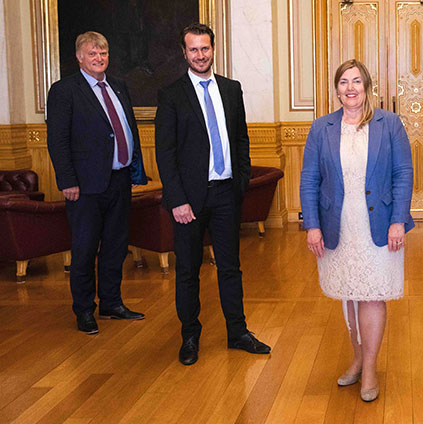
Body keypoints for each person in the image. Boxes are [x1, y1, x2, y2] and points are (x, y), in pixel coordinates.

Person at [155, 23, 270, 366]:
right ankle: (189, 336)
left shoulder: (231, 89)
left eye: (205, 48)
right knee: (188, 270)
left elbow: (241, 139)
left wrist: (242, 181)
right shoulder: (172, 94)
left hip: (225, 195)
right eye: (193, 50)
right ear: (184, 52)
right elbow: (166, 152)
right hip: (188, 201)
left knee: (230, 267)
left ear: (213, 49)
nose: (200, 55)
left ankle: (238, 332)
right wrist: (177, 200)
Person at [300, 59, 414, 402]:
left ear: (367, 87)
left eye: (356, 82)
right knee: (349, 293)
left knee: (372, 293)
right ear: (336, 89)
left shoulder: (389, 124)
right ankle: (357, 358)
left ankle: (370, 369)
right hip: (338, 224)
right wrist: (312, 226)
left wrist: (398, 219)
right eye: (344, 82)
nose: (350, 88)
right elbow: (309, 179)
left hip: (378, 225)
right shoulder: (321, 128)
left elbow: (403, 173)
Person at [46, 31, 148, 335]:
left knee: (116, 246)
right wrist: (67, 180)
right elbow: (58, 140)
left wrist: (133, 170)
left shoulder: (118, 86)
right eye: (92, 54)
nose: (99, 58)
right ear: (79, 57)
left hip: (118, 180)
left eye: (103, 53)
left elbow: (126, 129)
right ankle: (84, 310)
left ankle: (112, 303)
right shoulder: (65, 90)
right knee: (85, 247)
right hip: (84, 185)